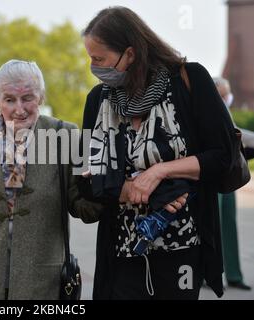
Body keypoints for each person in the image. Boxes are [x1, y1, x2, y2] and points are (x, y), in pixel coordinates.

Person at [78, 6, 237, 300]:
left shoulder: (190, 80)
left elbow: (222, 156)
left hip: (182, 248)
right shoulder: (97, 100)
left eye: (99, 58)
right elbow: (86, 179)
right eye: (91, 58)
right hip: (122, 251)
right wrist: (128, 190)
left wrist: (159, 172)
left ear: (130, 53)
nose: (94, 66)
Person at [0, 59, 101, 300]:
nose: (19, 109)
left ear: (41, 98)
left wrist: (104, 184)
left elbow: (82, 207)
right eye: (9, 99)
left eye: (28, 98)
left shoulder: (64, 135)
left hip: (43, 281)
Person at [213, 77, 251, 290]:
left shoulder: (223, 110)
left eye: (226, 93)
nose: (226, 98)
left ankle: (234, 275)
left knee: (228, 224)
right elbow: (233, 134)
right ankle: (212, 274)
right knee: (214, 227)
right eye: (222, 94)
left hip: (228, 176)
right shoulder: (205, 109)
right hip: (212, 178)